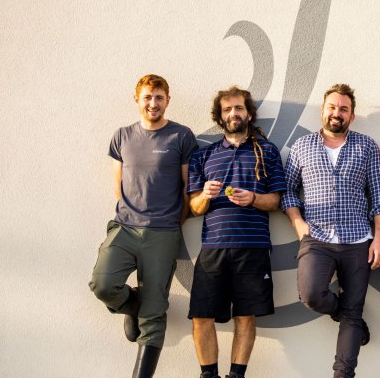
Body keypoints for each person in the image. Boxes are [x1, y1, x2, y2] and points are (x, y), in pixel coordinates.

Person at [89, 74, 198, 377]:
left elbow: (189, 189)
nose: (153, 103)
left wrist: (174, 221)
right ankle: (131, 303)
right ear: (136, 99)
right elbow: (118, 187)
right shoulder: (121, 136)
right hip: (124, 227)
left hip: (163, 232)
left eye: (159, 97)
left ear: (168, 100)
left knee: (154, 314)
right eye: (148, 97)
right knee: (102, 283)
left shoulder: (181, 136)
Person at [280, 83, 380, 378]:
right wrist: (298, 223)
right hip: (316, 238)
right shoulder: (302, 146)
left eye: (343, 109)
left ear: (351, 115)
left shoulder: (366, 147)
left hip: (358, 241)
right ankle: (344, 313)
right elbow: (287, 191)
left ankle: (343, 374)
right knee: (312, 295)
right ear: (322, 110)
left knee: (354, 312)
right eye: (332, 107)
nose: (336, 113)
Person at [186, 86, 287, 378]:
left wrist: (253, 198)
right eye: (227, 109)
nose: (233, 113)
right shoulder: (203, 155)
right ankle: (209, 375)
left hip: (252, 247)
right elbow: (194, 207)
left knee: (245, 316)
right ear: (220, 116)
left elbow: (276, 201)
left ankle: (236, 376)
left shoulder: (267, 151)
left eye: (239, 108)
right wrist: (204, 195)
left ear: (249, 113)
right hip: (213, 247)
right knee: (201, 316)